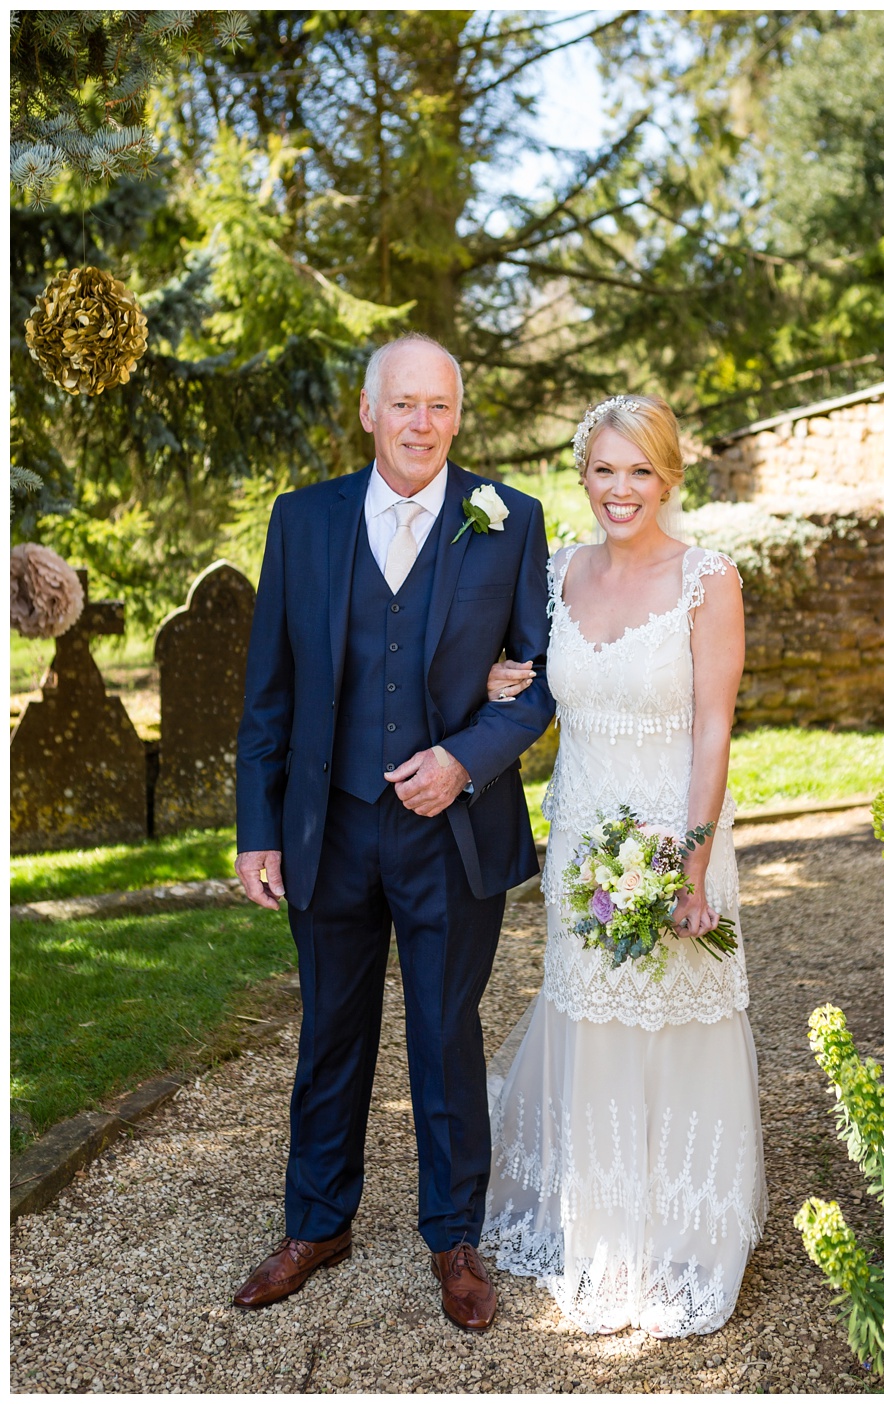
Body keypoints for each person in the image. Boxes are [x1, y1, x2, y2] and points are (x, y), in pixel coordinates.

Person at [231, 333, 554, 1330]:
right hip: (327, 829)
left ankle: (452, 1236)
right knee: (329, 1032)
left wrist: (465, 756)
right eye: (404, 404)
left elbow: (542, 678)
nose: (423, 423)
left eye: (441, 407)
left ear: (459, 416)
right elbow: (268, 692)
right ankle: (316, 1224)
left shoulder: (508, 519)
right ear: (368, 412)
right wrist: (258, 830)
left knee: (444, 1034)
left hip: (451, 833)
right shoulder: (302, 521)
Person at [481, 394, 767, 1337]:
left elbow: (715, 727)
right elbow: (526, 672)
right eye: (604, 470)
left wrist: (688, 863)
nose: (620, 489)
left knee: (673, 1021)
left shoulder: (708, 579)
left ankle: (684, 1232)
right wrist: (497, 678)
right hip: (583, 840)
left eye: (639, 470)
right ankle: (603, 1228)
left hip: (673, 834)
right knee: (595, 1014)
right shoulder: (557, 569)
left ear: (669, 477)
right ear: (584, 475)